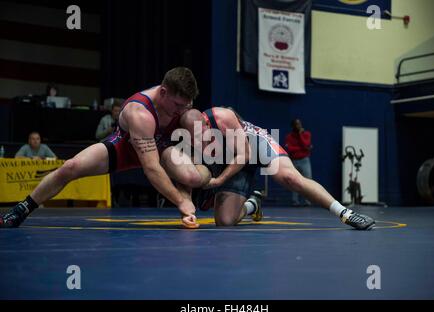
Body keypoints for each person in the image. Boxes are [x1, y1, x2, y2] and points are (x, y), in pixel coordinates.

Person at [1, 67, 211, 229]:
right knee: (70, 167)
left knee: (191, 176)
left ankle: (211, 175)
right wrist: (180, 202)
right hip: (125, 148)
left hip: (163, 147)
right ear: (163, 92)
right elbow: (151, 169)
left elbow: (185, 137)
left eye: (187, 104)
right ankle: (23, 208)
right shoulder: (140, 113)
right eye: (177, 105)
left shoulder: (183, 106)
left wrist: (187, 199)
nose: (181, 109)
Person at [180, 107, 375, 230]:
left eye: (202, 134)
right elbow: (191, 175)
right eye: (194, 137)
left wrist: (220, 180)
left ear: (206, 122)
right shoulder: (191, 141)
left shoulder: (222, 116)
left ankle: (344, 213)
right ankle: (252, 204)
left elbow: (245, 154)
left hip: (253, 146)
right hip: (234, 162)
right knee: (225, 222)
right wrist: (189, 208)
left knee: (291, 178)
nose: (200, 140)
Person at [285, 119, 312, 206]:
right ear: (293, 126)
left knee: (308, 180)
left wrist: (300, 135)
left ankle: (307, 201)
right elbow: (290, 149)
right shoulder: (289, 136)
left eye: (299, 124)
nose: (299, 125)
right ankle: (295, 201)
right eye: (297, 124)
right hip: (293, 161)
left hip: (305, 160)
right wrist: (303, 149)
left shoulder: (306, 134)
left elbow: (306, 144)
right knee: (294, 181)